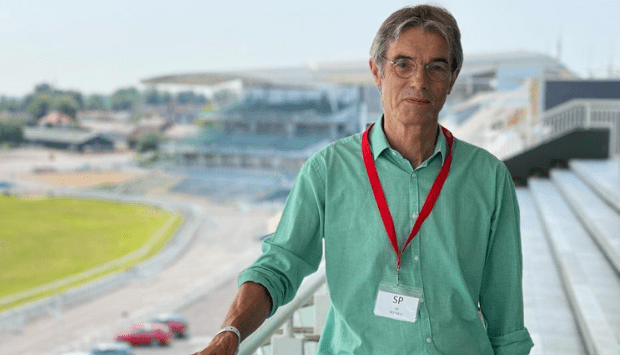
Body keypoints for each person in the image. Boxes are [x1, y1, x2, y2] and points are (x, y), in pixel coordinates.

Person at [194, 4, 533, 355]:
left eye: (436, 67)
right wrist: (229, 334)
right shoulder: (327, 170)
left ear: (453, 79)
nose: (419, 80)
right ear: (376, 72)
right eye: (403, 64)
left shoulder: (489, 178)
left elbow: (506, 321)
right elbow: (279, 267)